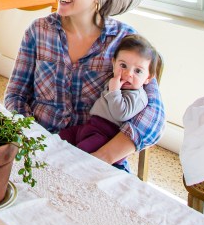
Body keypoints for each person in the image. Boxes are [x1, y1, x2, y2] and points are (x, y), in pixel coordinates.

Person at [4, 0, 165, 169]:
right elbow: (15, 95)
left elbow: (154, 117)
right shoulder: (38, 31)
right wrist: (33, 140)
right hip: (39, 147)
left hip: (97, 155)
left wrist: (102, 157)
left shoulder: (125, 41)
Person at [59, 33, 159, 162]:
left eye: (138, 71)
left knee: (80, 155)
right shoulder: (115, 82)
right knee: (60, 138)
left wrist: (114, 91)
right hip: (90, 125)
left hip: (105, 136)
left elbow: (120, 114)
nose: (128, 74)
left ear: (148, 78)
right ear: (114, 64)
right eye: (123, 66)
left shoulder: (139, 96)